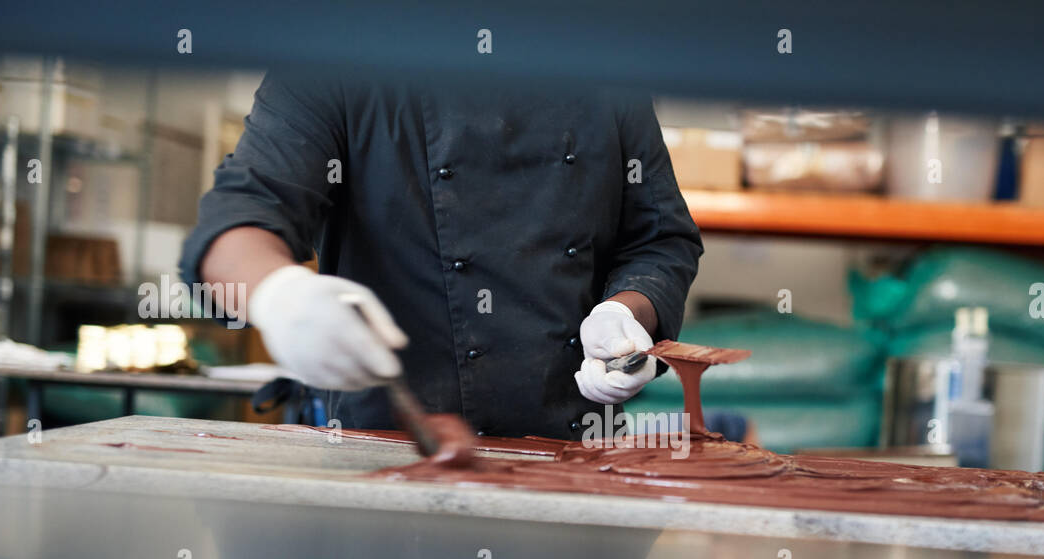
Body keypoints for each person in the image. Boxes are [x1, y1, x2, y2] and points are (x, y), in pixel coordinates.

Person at [180, 73, 703, 438]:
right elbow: (235, 222)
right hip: (387, 457)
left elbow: (660, 239)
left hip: (580, 458)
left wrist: (626, 314)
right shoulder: (337, 59)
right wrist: (282, 297)